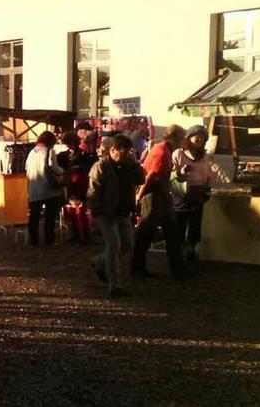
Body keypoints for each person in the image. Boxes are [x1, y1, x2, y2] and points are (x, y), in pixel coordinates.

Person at [88, 135, 145, 297]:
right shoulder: (100, 167)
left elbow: (141, 179)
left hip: (124, 212)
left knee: (127, 246)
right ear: (112, 150)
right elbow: (93, 189)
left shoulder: (129, 164)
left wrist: (135, 164)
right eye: (122, 152)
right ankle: (114, 284)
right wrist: (94, 210)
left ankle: (99, 260)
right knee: (114, 247)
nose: (124, 156)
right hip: (107, 213)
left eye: (127, 153)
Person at [133, 124, 187, 278]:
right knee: (147, 233)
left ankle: (178, 269)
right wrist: (140, 196)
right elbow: (151, 177)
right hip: (154, 196)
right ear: (175, 138)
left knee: (170, 232)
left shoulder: (164, 150)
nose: (183, 142)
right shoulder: (162, 152)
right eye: (182, 138)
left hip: (161, 195)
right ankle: (137, 267)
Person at [172, 124, 214, 268]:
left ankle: (191, 251)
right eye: (197, 136)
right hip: (181, 193)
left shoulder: (204, 156)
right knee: (179, 224)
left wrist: (207, 189)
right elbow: (172, 174)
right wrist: (182, 172)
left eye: (203, 137)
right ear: (189, 138)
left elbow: (207, 174)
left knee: (195, 224)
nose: (200, 139)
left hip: (198, 193)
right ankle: (178, 255)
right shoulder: (179, 153)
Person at [25, 131, 64, 246]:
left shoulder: (32, 152)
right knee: (49, 217)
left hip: (34, 189)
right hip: (48, 188)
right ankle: (49, 240)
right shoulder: (49, 151)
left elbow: (27, 168)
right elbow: (54, 168)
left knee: (34, 216)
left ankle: (34, 241)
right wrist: (62, 171)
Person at [57, 131, 95, 243]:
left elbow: (88, 168)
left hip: (80, 185)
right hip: (70, 185)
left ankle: (85, 234)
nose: (69, 145)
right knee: (71, 210)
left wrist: (76, 168)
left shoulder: (84, 155)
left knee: (81, 210)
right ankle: (76, 233)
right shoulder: (63, 155)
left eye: (70, 143)